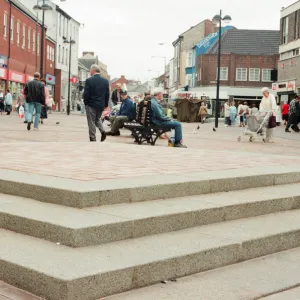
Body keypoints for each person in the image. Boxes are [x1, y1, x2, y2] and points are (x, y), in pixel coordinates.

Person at [84, 64, 109, 142]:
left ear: (93, 70)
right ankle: (103, 132)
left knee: (91, 121)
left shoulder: (89, 80)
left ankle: (92, 137)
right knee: (97, 119)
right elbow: (107, 94)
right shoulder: (105, 81)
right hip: (100, 105)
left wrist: (86, 103)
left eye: (90, 70)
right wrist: (105, 105)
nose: (90, 72)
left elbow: (86, 94)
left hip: (91, 104)